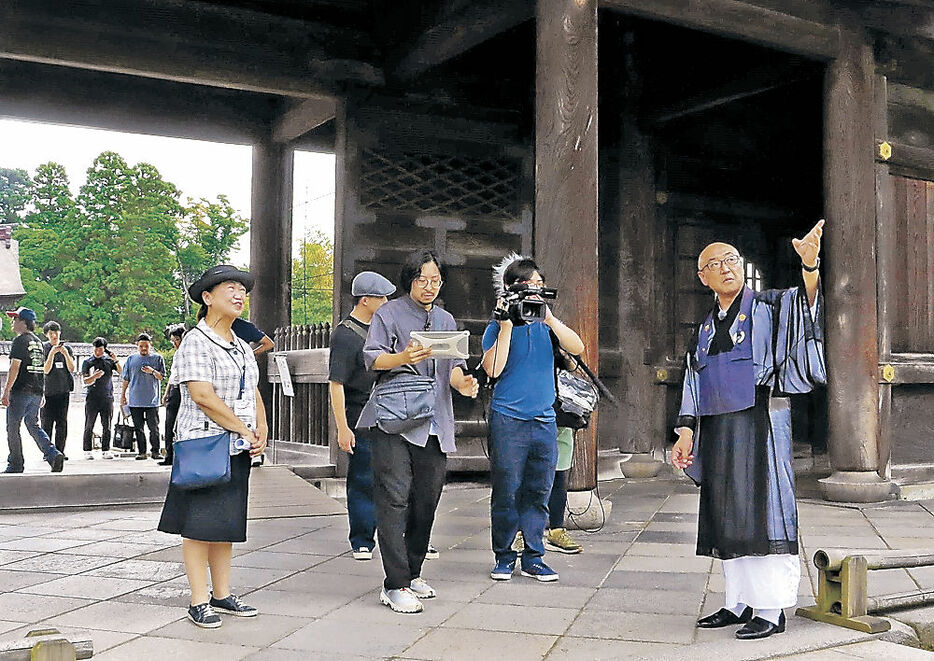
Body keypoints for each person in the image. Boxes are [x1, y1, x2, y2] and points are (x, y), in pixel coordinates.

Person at [671, 220, 826, 640]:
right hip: (719, 427)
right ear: (702, 277)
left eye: (732, 260)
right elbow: (692, 380)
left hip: (760, 418)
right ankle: (737, 601)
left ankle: (772, 608)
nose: (726, 268)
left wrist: (809, 268)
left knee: (764, 509)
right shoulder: (704, 329)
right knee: (726, 509)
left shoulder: (771, 307)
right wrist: (686, 431)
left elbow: (805, 307)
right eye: (714, 264)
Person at [357, 250, 479, 614]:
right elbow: (373, 358)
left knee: (426, 502)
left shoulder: (444, 318)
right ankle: (394, 584)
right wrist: (402, 358)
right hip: (393, 423)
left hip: (434, 423)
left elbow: (453, 368)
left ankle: (412, 573)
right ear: (409, 279)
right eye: (422, 279)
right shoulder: (388, 313)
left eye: (436, 280)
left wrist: (464, 384)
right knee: (394, 500)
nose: (429, 287)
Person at [158, 264, 266, 629]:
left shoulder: (241, 346)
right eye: (231, 288)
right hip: (203, 444)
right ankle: (198, 600)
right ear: (207, 297)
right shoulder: (195, 341)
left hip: (237, 446)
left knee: (226, 523)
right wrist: (243, 429)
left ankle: (222, 594)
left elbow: (252, 391)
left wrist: (261, 428)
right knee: (199, 524)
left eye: (242, 290)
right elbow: (202, 395)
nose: (239, 295)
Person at [482, 254, 584, 583]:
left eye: (540, 285)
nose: (535, 291)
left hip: (543, 420)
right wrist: (506, 326)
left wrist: (550, 318)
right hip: (508, 419)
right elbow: (493, 369)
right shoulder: (496, 328)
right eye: (529, 285)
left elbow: (578, 348)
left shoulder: (547, 328)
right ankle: (503, 556)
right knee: (507, 490)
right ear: (511, 290)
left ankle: (534, 556)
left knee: (540, 490)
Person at [328, 270, 395, 560]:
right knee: (363, 477)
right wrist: (343, 427)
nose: (386, 302)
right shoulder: (345, 334)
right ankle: (362, 537)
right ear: (365, 300)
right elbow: (336, 384)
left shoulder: (386, 329)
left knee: (395, 476)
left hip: (389, 410)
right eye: (382, 297)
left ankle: (398, 535)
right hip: (360, 411)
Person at [2, 307, 65, 473]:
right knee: (33, 424)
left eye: (15, 319)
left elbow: (14, 367)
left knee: (13, 427)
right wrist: (41, 392)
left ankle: (16, 462)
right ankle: (53, 454)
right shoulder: (37, 342)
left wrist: (6, 390)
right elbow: (39, 368)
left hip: (20, 391)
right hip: (36, 392)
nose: (13, 322)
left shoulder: (20, 341)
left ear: (24, 323)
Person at [121, 332, 166, 460]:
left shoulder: (158, 359)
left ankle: (155, 451)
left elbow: (162, 377)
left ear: (150, 345)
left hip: (152, 400)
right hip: (135, 400)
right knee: (138, 428)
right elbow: (126, 378)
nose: (144, 349)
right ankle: (142, 452)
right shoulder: (131, 359)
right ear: (137, 346)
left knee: (154, 428)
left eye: (146, 346)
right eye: (141, 346)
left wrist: (152, 371)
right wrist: (123, 395)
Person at [81, 337, 121, 459]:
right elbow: (85, 380)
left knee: (107, 425)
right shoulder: (88, 362)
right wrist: (94, 377)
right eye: (96, 349)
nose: (98, 351)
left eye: (101, 349)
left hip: (107, 397)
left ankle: (106, 449)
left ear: (104, 349)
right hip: (92, 397)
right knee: (89, 424)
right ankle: (87, 450)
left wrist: (116, 360)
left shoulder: (109, 362)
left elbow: (122, 372)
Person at [41, 321, 75, 459]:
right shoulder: (43, 348)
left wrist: (65, 354)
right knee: (46, 423)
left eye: (56, 332)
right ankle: (48, 453)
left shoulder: (67, 348)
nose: (54, 335)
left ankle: (60, 451)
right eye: (51, 333)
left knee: (62, 423)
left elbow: (72, 368)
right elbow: (46, 370)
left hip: (63, 391)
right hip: (47, 392)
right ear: (46, 335)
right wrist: (52, 354)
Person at [158, 324, 186, 466]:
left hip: (185, 390)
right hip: (174, 390)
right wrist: (166, 392)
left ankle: (182, 457)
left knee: (183, 425)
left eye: (177, 339)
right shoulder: (176, 355)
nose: (175, 343)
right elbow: (172, 376)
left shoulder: (189, 353)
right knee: (169, 423)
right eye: (172, 340)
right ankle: (169, 455)